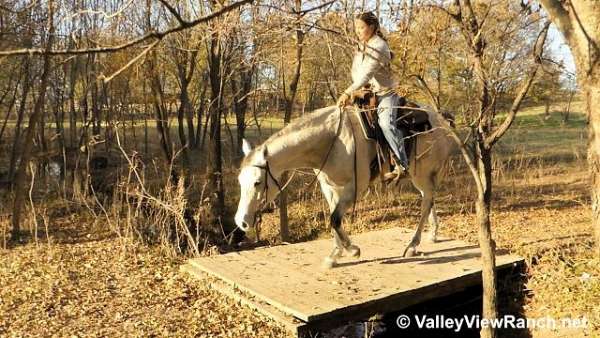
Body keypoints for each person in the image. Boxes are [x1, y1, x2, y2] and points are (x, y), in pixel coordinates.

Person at [336, 11, 408, 178]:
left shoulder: (380, 46)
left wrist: (347, 93)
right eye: (356, 28)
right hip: (368, 94)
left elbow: (367, 74)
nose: (358, 31)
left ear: (372, 27)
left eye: (361, 27)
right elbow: (357, 74)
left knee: (385, 124)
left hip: (387, 94)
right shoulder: (361, 47)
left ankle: (402, 164)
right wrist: (356, 92)